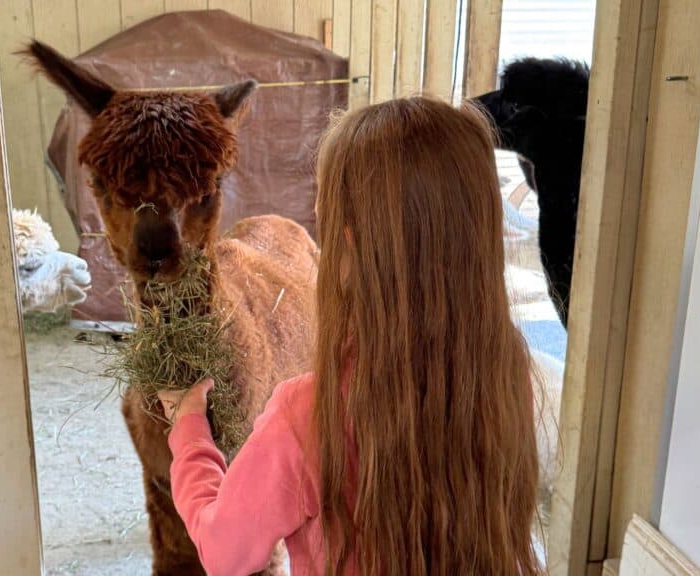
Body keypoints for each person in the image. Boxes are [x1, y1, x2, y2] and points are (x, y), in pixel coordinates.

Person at [158, 97, 542, 576]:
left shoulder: (307, 413)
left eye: (325, 211)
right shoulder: (508, 370)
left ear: (347, 245)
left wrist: (189, 429)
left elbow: (224, 551)